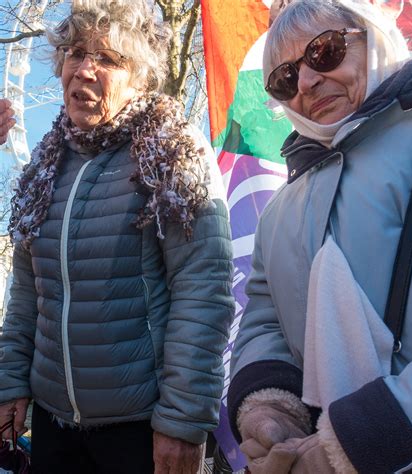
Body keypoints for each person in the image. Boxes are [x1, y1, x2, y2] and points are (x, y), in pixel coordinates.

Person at [227, 0, 412, 473]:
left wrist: (367, 438)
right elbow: (266, 324)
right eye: (283, 79)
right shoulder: (279, 212)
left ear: (375, 38)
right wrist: (269, 407)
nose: (305, 82)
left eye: (324, 51)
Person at [0, 1, 234, 473]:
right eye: (74, 52)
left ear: (140, 78)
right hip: (51, 427)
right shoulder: (42, 170)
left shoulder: (173, 154)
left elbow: (203, 292)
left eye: (107, 59)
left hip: (142, 431)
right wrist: (9, 384)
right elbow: (28, 293)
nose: (84, 70)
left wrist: (183, 422)